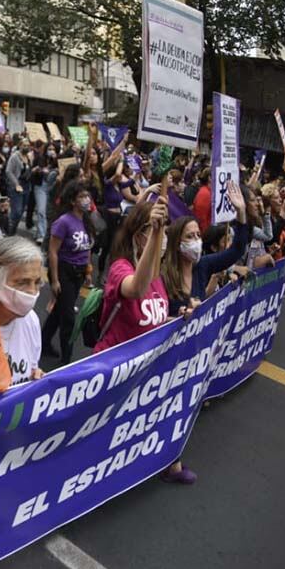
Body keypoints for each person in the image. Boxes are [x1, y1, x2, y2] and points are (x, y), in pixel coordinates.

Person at [96, 198, 194, 484]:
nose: (161, 240)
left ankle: (169, 463)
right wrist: (154, 231)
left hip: (145, 368)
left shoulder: (159, 278)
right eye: (153, 233)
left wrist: (179, 317)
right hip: (115, 369)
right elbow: (136, 288)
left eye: (163, 234)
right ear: (139, 235)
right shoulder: (120, 269)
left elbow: (155, 317)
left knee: (159, 411)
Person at [161, 182, 249, 316]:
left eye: (198, 235)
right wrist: (178, 317)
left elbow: (236, 251)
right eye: (190, 236)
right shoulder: (163, 275)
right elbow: (156, 323)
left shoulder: (202, 265)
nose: (196, 241)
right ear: (177, 243)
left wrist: (241, 213)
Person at [40, 182, 95, 364]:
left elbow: (87, 249)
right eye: (81, 197)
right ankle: (66, 359)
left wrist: (88, 270)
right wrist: (54, 280)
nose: (86, 200)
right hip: (64, 272)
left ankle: (43, 342)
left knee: (59, 312)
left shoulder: (85, 221)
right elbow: (53, 251)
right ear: (72, 201)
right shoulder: (63, 222)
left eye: (87, 196)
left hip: (79, 273)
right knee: (68, 319)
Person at [0, 236, 45, 385]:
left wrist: (36, 377)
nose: (32, 291)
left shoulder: (31, 321)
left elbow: (32, 368)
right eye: (22, 282)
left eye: (37, 282)